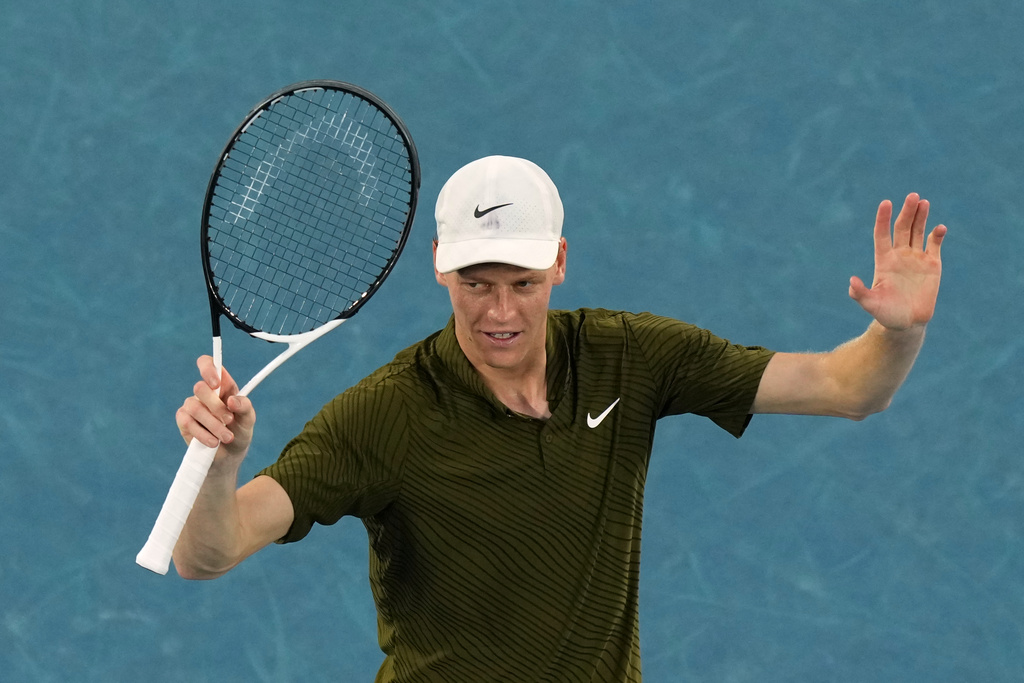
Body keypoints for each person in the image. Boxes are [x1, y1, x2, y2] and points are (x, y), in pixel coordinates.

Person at [172, 155, 946, 682]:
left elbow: (847, 387)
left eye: (524, 282)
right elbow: (209, 552)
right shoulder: (388, 413)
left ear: (562, 262)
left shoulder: (629, 356)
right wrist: (219, 463)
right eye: (476, 283)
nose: (501, 312)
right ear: (439, 263)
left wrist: (898, 332)